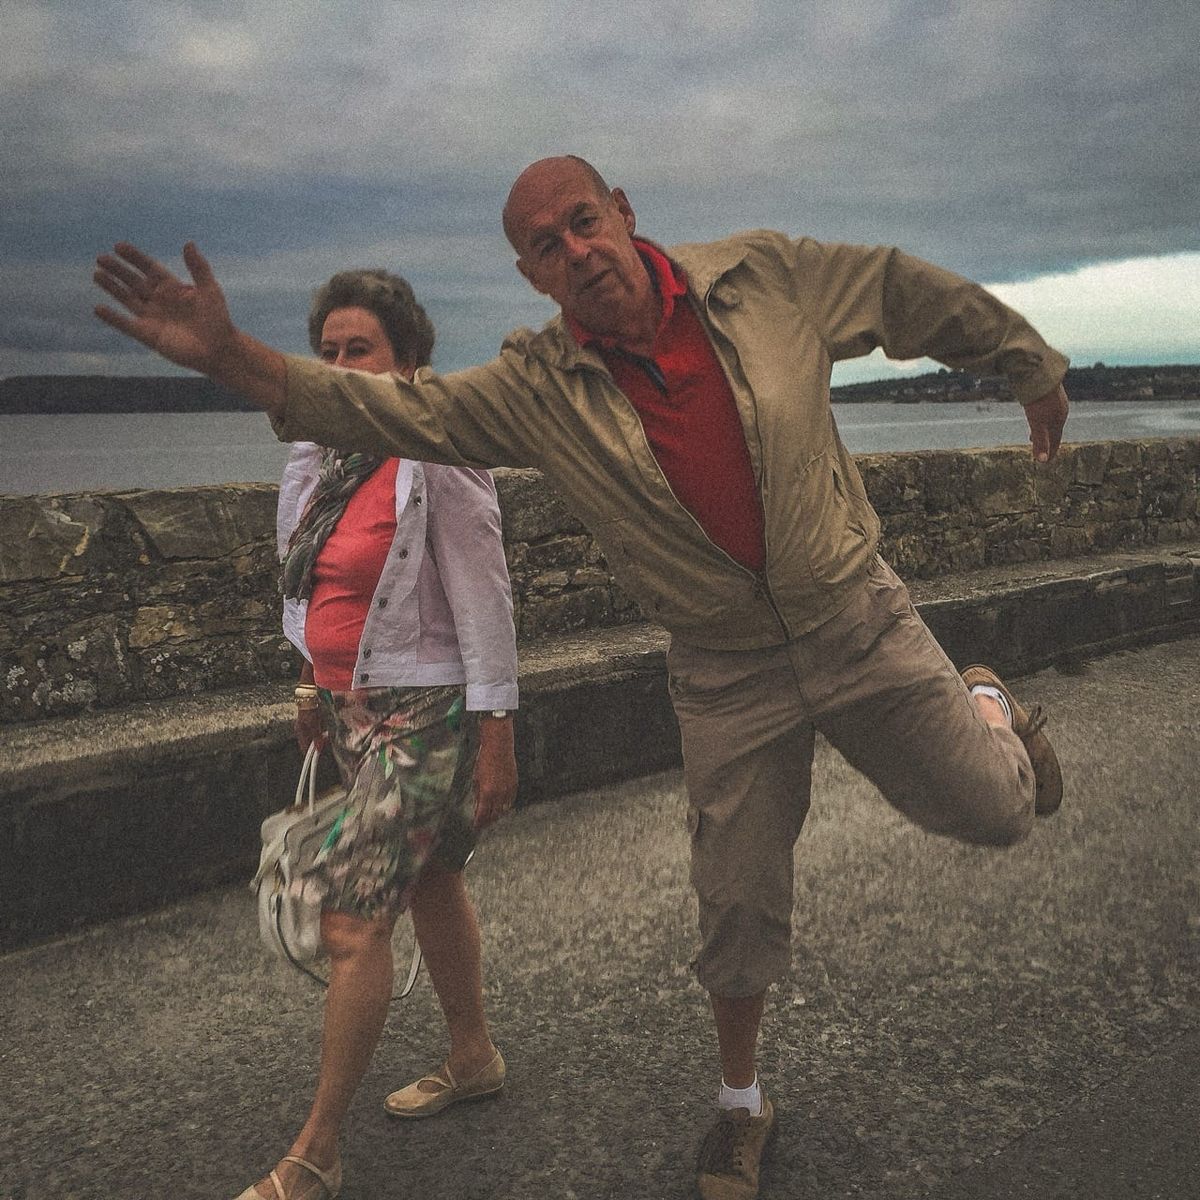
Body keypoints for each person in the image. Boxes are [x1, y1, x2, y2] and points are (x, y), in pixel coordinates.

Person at [95, 155, 1071, 1200]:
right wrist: (232, 355)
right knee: (735, 902)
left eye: (584, 221)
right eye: (547, 246)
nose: (578, 251)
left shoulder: (763, 278)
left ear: (622, 212)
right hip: (726, 669)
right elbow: (384, 412)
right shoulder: (535, 389)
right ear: (531, 275)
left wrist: (1027, 358)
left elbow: (898, 290)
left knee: (998, 811)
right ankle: (740, 1106)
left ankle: (987, 704)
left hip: (855, 617)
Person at [249, 268, 519, 1200]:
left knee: (353, 921)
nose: (336, 366)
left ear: (410, 362)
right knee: (437, 874)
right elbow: (311, 588)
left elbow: (486, 600)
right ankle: (473, 1053)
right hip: (351, 710)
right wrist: (308, 687)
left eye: (357, 349)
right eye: (325, 351)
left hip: (428, 712)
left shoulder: (435, 455)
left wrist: (497, 733)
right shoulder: (322, 459)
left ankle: (316, 1150)